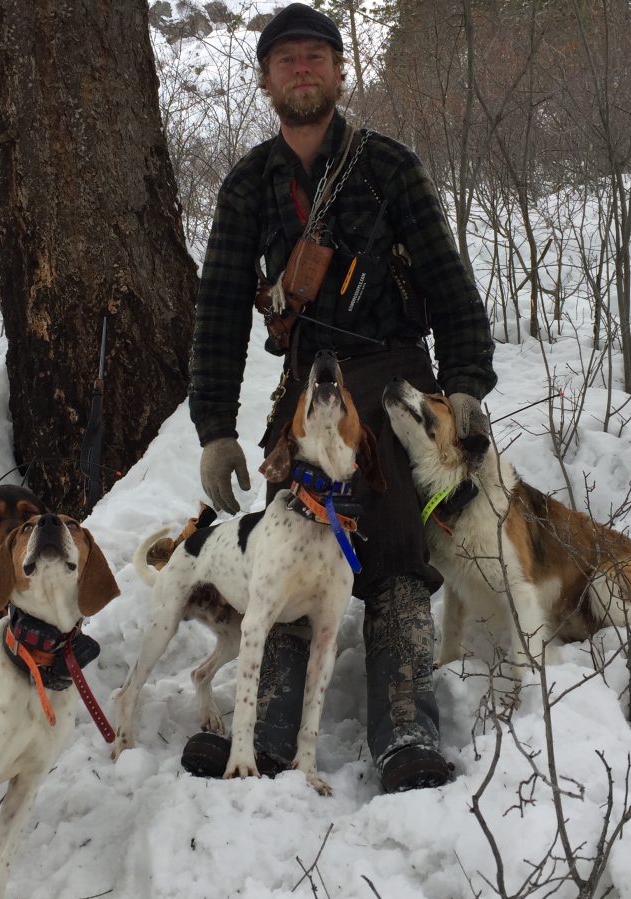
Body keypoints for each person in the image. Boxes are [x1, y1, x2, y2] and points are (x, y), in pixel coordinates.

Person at [182, 2, 497, 793]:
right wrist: (216, 427)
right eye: (284, 58)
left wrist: (462, 382)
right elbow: (220, 305)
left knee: (392, 549)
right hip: (304, 391)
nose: (300, 68)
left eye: (314, 56)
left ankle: (403, 732)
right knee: (285, 559)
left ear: (338, 70)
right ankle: (265, 733)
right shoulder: (249, 184)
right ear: (264, 79)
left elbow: (446, 280)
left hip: (391, 383)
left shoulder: (389, 165)